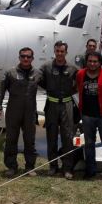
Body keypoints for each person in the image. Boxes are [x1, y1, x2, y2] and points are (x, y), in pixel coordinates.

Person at [0, 47, 42, 178]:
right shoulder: (10, 73)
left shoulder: (38, 73)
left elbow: (52, 86)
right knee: (11, 139)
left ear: (32, 58)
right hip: (13, 111)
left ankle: (30, 167)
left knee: (30, 140)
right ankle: (11, 166)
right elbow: (1, 90)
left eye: (28, 56)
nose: (25, 59)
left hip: (30, 112)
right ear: (19, 57)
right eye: (23, 56)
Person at [39, 41, 78, 180]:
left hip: (67, 105)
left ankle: (67, 168)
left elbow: (78, 85)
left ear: (66, 52)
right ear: (54, 51)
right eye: (57, 51)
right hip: (52, 105)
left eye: (62, 51)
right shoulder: (46, 67)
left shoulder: (73, 68)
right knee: (51, 136)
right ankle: (52, 166)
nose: (59, 54)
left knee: (68, 137)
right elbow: (39, 81)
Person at [76, 51, 102, 183]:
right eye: (90, 61)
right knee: (89, 144)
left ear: (100, 62)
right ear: (86, 62)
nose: (92, 64)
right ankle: (90, 171)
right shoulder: (80, 74)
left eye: (95, 61)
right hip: (87, 115)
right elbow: (78, 88)